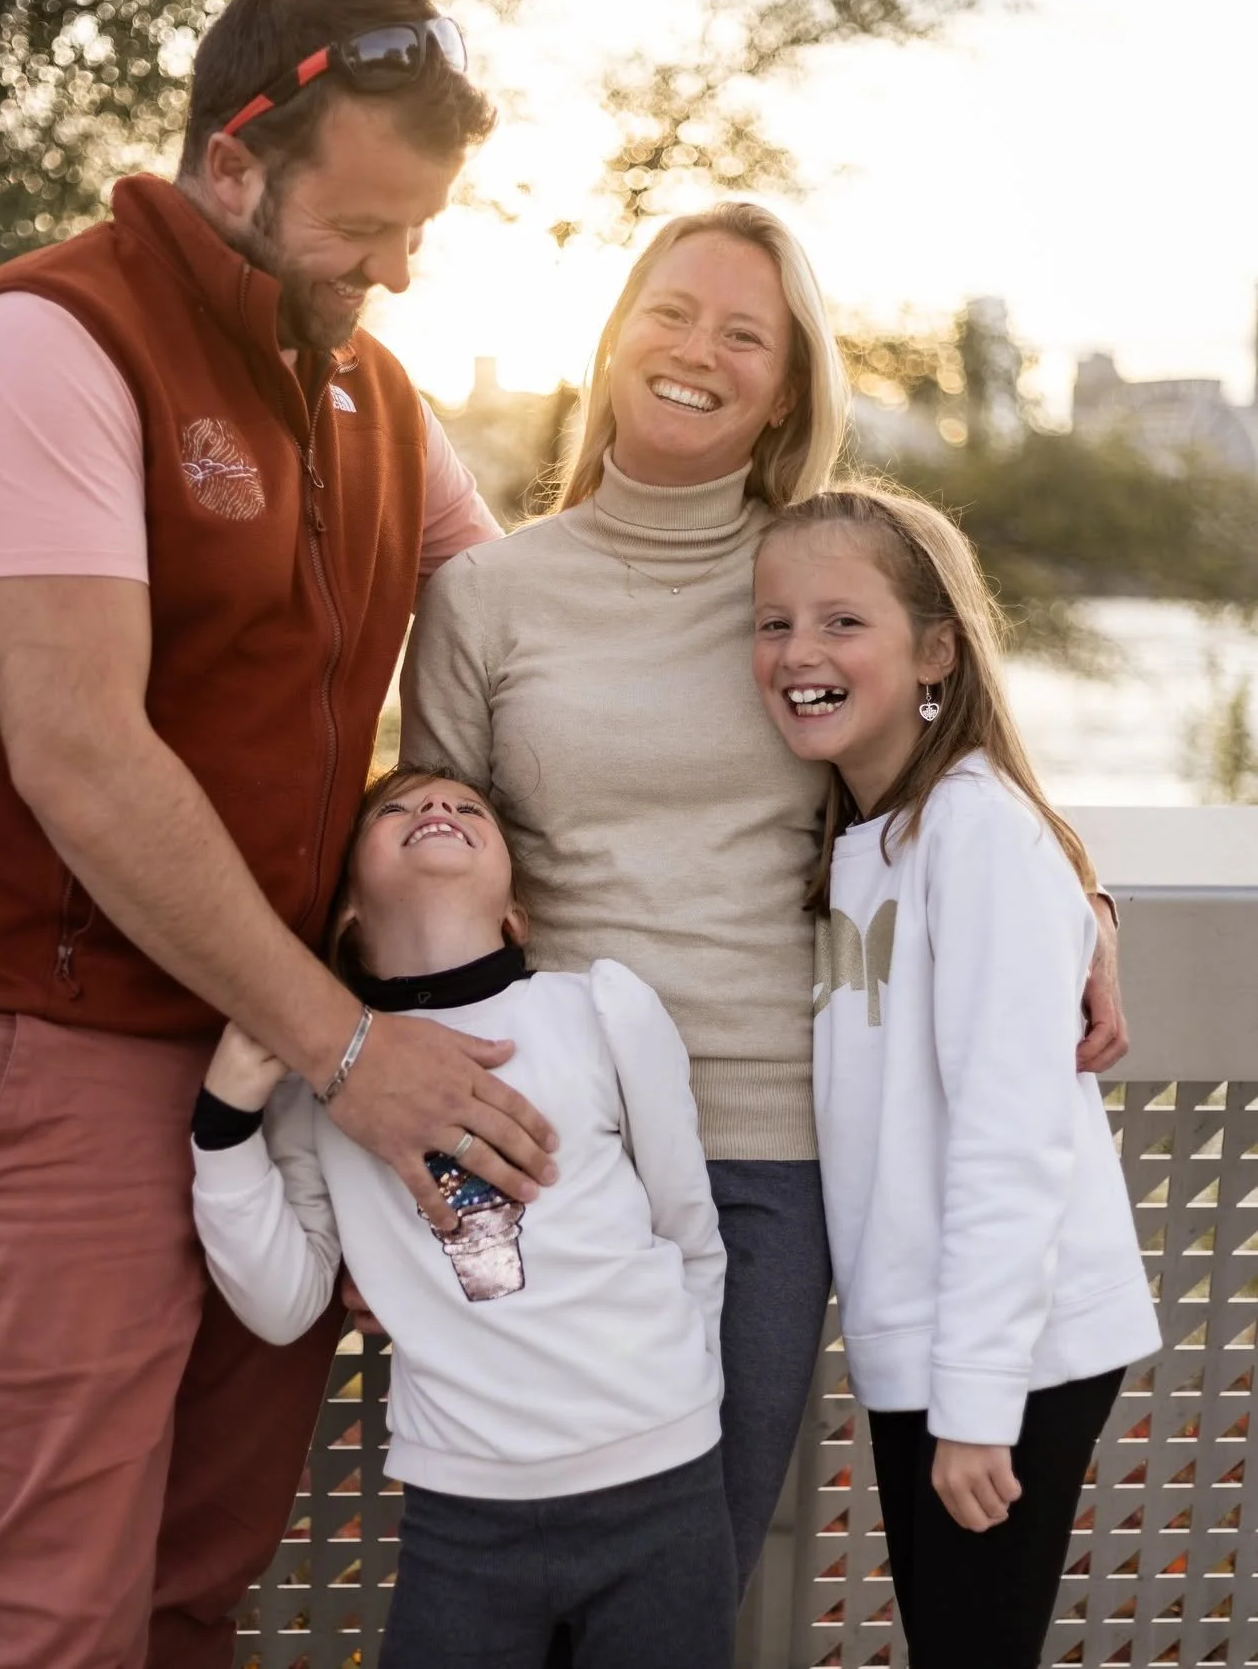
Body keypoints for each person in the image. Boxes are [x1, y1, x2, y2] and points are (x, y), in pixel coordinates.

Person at [0, 0, 560, 1667]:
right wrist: (350, 1050)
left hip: (270, 1074)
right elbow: (81, 757)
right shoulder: (50, 340)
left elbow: (551, 645)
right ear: (236, 163)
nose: (399, 268)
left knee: (197, 1592)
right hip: (61, 1046)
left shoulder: (380, 399)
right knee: (56, 1609)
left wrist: (981, 808)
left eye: (420, 230)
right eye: (367, 223)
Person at [398, 203, 1129, 1589]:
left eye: (746, 333)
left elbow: (947, 774)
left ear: (787, 385)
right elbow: (422, 870)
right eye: (668, 313)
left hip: (767, 1157)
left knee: (690, 1577)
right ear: (613, 339)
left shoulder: (808, 585)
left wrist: (1084, 909)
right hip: (550, 1146)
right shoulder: (486, 594)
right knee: (500, 1568)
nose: (697, 351)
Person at [190, 765, 735, 1669]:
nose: (434, 808)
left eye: (465, 807)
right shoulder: (314, 1082)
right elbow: (283, 1302)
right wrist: (222, 1128)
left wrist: (687, 1404)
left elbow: (688, 1232)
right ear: (349, 913)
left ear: (517, 912)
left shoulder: (598, 1009)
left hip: (661, 1485)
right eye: (396, 809)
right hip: (460, 1515)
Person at [751, 486, 1160, 1667]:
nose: (799, 652)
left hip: (1004, 1349)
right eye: (773, 621)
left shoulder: (973, 832)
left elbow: (1009, 1133)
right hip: (931, 1339)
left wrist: (978, 1400)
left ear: (936, 648)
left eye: (842, 621)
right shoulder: (868, 838)